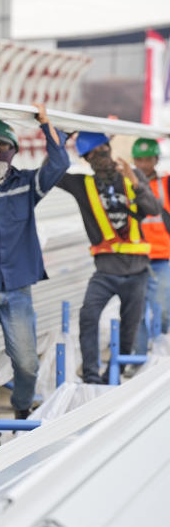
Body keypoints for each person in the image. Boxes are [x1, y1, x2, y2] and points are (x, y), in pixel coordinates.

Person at [0, 107, 69, 424]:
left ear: (14, 151)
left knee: (26, 362)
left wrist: (45, 124)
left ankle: (23, 406)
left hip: (17, 287)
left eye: (5, 146)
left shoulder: (27, 185)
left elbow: (61, 163)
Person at [56, 133, 159, 383]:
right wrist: (59, 140)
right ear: (86, 160)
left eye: (104, 149)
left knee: (129, 330)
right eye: (93, 153)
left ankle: (115, 372)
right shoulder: (82, 184)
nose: (100, 155)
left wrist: (135, 180)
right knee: (88, 316)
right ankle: (91, 376)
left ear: (110, 148)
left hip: (137, 273)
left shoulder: (131, 177)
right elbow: (54, 171)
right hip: (105, 272)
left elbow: (153, 209)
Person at [131, 138, 170, 354]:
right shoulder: (127, 184)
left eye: (148, 159)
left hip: (161, 257)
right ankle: (140, 358)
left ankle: (161, 353)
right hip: (134, 258)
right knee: (136, 312)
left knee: (164, 310)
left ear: (156, 160)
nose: (143, 165)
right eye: (139, 160)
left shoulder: (166, 184)